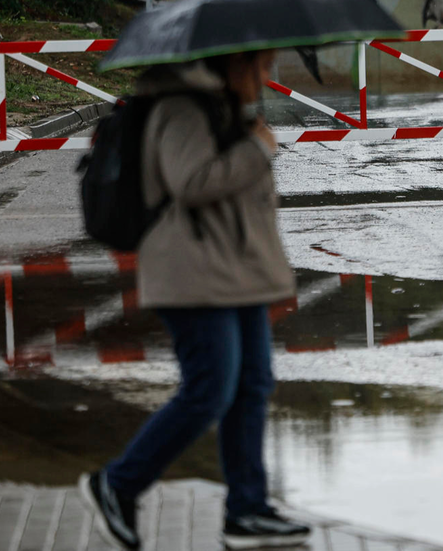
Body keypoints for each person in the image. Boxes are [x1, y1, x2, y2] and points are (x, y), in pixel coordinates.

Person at [78, 49, 310, 550]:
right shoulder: (180, 109)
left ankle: (246, 509)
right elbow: (192, 182)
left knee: (252, 385)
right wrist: (257, 149)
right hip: (191, 273)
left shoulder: (222, 106)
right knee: (210, 389)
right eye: (262, 64)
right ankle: (118, 484)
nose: (269, 74)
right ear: (236, 63)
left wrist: (251, 140)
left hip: (233, 272)